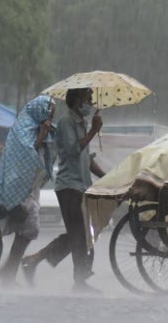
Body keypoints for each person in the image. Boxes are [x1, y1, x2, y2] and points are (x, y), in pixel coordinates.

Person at [21, 87, 105, 293]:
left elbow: (87, 158)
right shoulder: (67, 122)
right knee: (81, 234)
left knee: (80, 234)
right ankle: (79, 280)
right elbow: (73, 150)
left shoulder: (81, 123)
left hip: (82, 185)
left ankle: (33, 260)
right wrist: (94, 131)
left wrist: (106, 176)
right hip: (69, 186)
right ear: (77, 99)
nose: (91, 102)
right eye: (88, 98)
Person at [0, 103, 55, 286]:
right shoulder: (24, 133)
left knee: (25, 231)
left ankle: (8, 271)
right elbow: (25, 156)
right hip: (18, 190)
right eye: (49, 114)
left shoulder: (36, 131)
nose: (50, 119)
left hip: (30, 190)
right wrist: (41, 136)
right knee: (31, 228)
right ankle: (8, 271)